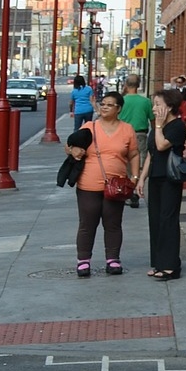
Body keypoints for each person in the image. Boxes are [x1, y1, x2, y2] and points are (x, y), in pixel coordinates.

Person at [67, 89, 136, 277]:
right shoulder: (89, 127)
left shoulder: (127, 129)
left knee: (113, 223)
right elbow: (70, 145)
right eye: (103, 104)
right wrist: (73, 150)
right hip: (88, 185)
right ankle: (83, 261)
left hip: (116, 186)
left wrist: (136, 177)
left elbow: (134, 154)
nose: (104, 107)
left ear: (119, 109)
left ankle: (113, 259)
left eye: (109, 105)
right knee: (87, 223)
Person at [140, 86, 186, 281]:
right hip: (155, 177)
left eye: (157, 105)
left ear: (169, 107)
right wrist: (141, 178)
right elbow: (151, 153)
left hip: (171, 178)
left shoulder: (177, 127)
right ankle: (158, 262)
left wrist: (159, 125)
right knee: (155, 220)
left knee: (168, 219)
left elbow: (162, 145)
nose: (154, 109)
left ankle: (171, 265)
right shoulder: (156, 127)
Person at [119, 76, 153, 210]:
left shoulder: (121, 101)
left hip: (123, 134)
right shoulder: (145, 101)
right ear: (139, 85)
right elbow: (153, 120)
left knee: (126, 163)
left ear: (126, 84)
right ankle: (137, 189)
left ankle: (129, 192)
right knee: (140, 163)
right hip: (140, 134)